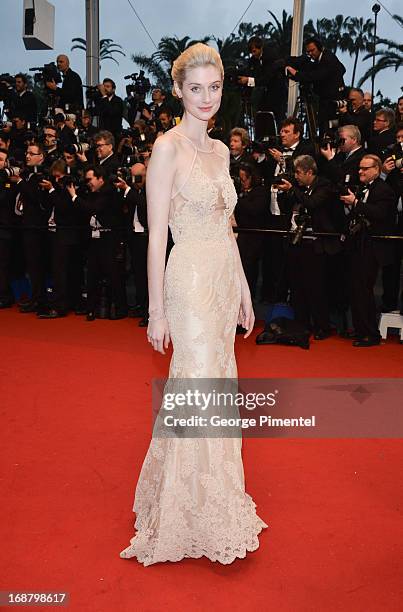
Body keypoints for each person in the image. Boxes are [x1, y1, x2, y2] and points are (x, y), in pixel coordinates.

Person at [119, 43, 267, 566]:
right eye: (195, 88)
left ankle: (214, 501)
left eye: (215, 87)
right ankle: (185, 510)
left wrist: (245, 289)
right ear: (178, 90)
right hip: (188, 282)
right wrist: (156, 311)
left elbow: (227, 229)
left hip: (223, 280)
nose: (206, 98)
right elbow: (156, 236)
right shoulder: (168, 148)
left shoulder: (222, 151)